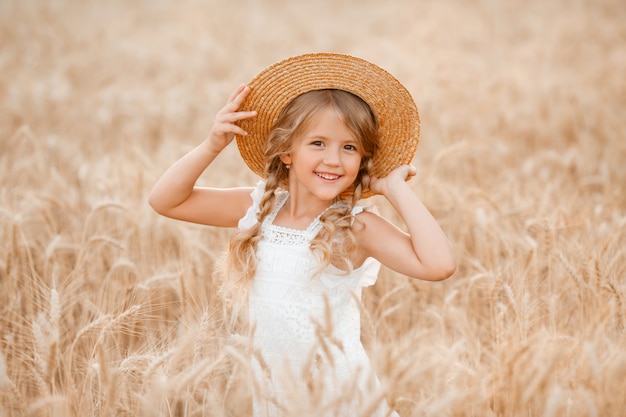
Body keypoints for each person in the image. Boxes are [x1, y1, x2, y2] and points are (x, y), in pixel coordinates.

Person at [148, 53, 456, 417]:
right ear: (286, 151)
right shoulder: (259, 210)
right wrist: (211, 145)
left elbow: (439, 265)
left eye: (349, 147)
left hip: (340, 400)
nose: (334, 160)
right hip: (277, 396)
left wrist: (394, 188)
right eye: (318, 143)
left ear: (362, 160)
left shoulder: (354, 226)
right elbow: (166, 200)